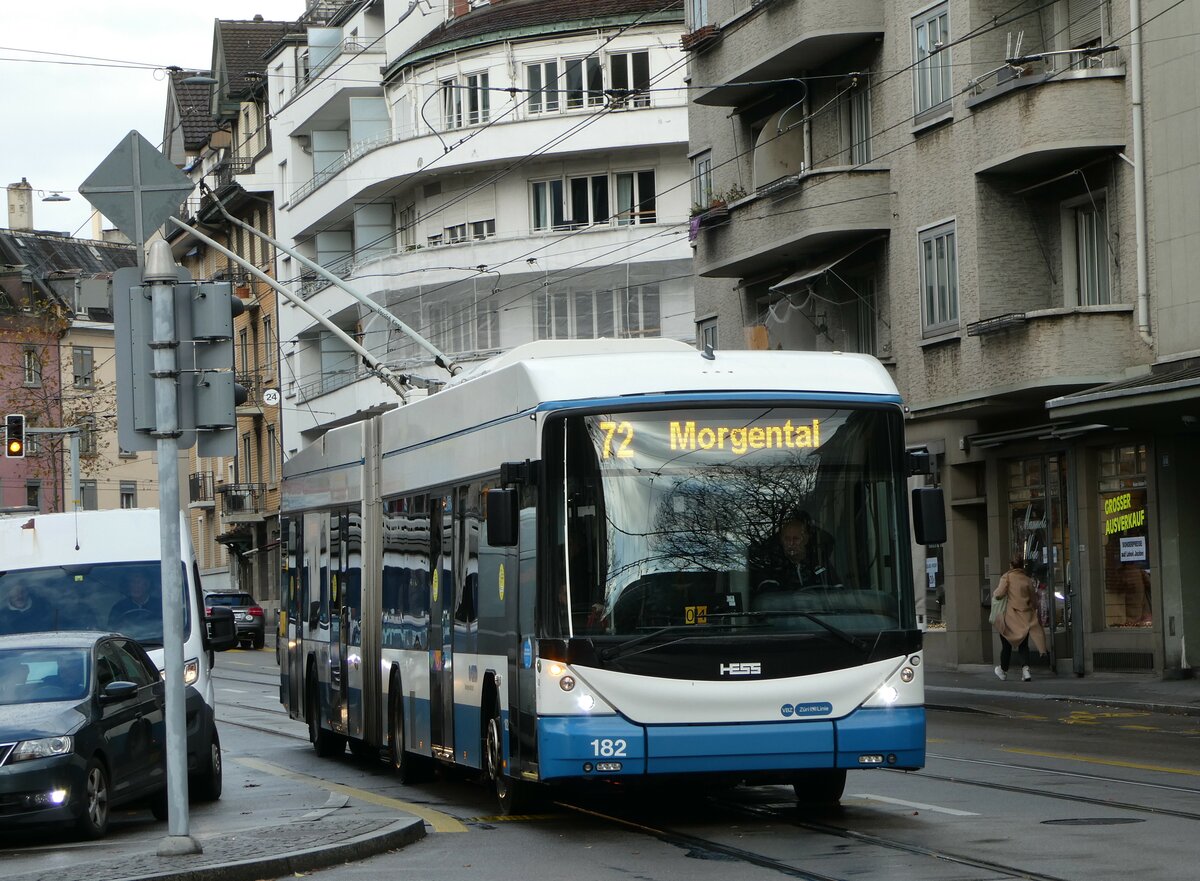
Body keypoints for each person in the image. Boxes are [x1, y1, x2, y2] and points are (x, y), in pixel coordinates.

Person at [991, 555, 1047, 681]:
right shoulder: (1027, 580)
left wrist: (996, 596)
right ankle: (1026, 670)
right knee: (1023, 645)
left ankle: (1003, 670)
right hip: (1025, 617)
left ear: (1011, 566)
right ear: (1022, 566)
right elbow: (1034, 600)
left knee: (1006, 644)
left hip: (1010, 617)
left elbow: (999, 594)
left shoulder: (1007, 577)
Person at [766, 512, 840, 590]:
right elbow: (769, 596)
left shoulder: (820, 564)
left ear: (805, 540)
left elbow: (838, 591)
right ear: (781, 541)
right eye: (787, 539)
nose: (791, 543)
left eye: (796, 539)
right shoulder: (773, 568)